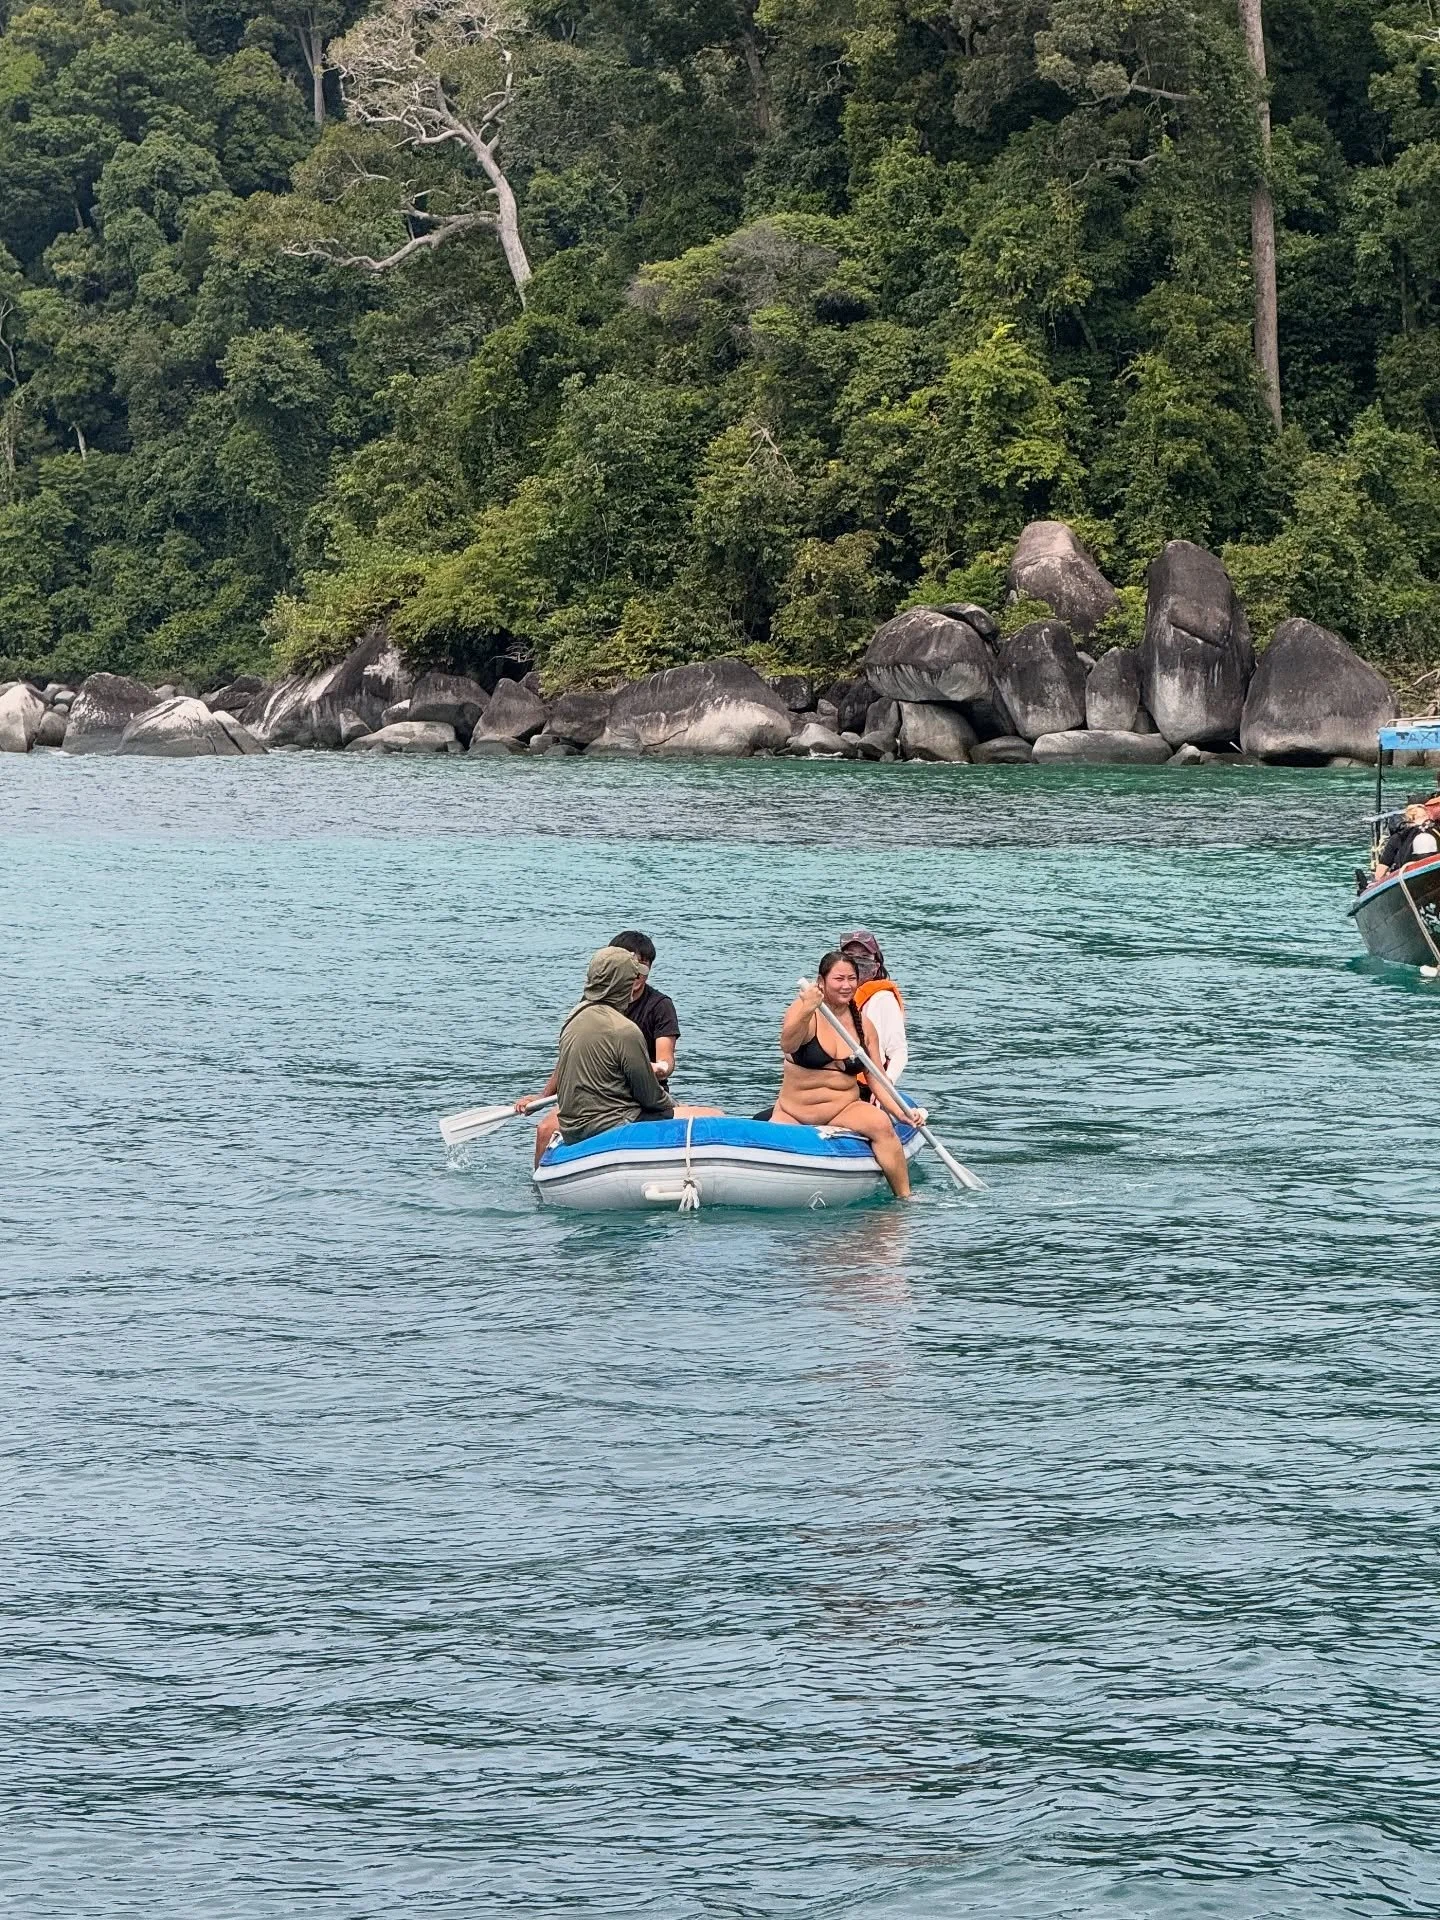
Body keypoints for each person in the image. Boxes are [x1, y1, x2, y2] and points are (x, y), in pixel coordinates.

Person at [521, 946, 719, 1163]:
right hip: (614, 1123)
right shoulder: (624, 1030)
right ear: (622, 983)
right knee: (713, 1116)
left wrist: (543, 1096)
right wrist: (675, 1104)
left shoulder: (573, 1019)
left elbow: (565, 1069)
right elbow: (651, 1098)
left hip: (573, 1128)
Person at [770, 951, 920, 1199]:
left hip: (842, 1108)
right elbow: (788, 1044)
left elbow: (877, 1079)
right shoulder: (803, 1011)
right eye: (839, 978)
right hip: (794, 1112)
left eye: (852, 978)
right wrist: (807, 1009)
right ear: (822, 981)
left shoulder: (864, 1025)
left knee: (881, 1125)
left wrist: (900, 1112)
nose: (846, 985)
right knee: (774, 1143)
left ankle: (905, 1198)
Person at [609, 930, 680, 1083]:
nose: (636, 974)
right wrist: (545, 1095)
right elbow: (570, 1056)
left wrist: (660, 1068)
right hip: (600, 1088)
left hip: (646, 1089)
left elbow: (665, 1059)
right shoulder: (596, 1001)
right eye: (629, 966)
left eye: (642, 966)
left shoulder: (660, 1006)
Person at [838, 928, 907, 1082]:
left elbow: (898, 1051)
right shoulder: (829, 997)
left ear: (876, 966)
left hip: (866, 1084)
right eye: (849, 956)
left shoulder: (883, 999)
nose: (857, 961)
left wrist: (886, 1085)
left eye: (864, 956)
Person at [1373, 803, 1440, 883]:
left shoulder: (1398, 837)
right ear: (1428, 816)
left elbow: (1380, 873)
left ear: (1408, 818)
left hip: (1408, 880)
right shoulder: (1437, 831)